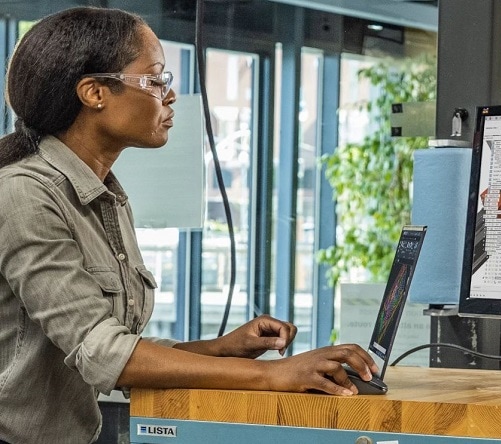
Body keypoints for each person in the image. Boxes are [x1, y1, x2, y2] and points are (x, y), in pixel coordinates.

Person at [0, 7, 377, 444]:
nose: (170, 95)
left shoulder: (104, 195)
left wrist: (221, 349)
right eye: (156, 80)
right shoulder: (24, 194)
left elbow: (116, 343)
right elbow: (103, 352)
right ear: (94, 93)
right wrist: (271, 375)